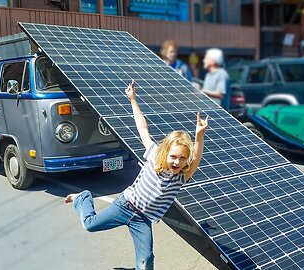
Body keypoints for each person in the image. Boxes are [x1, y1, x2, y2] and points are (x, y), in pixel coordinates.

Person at [65, 80, 209, 270]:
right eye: (173, 156)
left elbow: (196, 158)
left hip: (143, 219)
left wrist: (199, 136)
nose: (177, 162)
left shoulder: (181, 175)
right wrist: (133, 100)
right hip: (124, 205)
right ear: (165, 152)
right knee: (90, 225)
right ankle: (83, 198)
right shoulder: (154, 155)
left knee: (147, 259)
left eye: (182, 158)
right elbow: (142, 128)